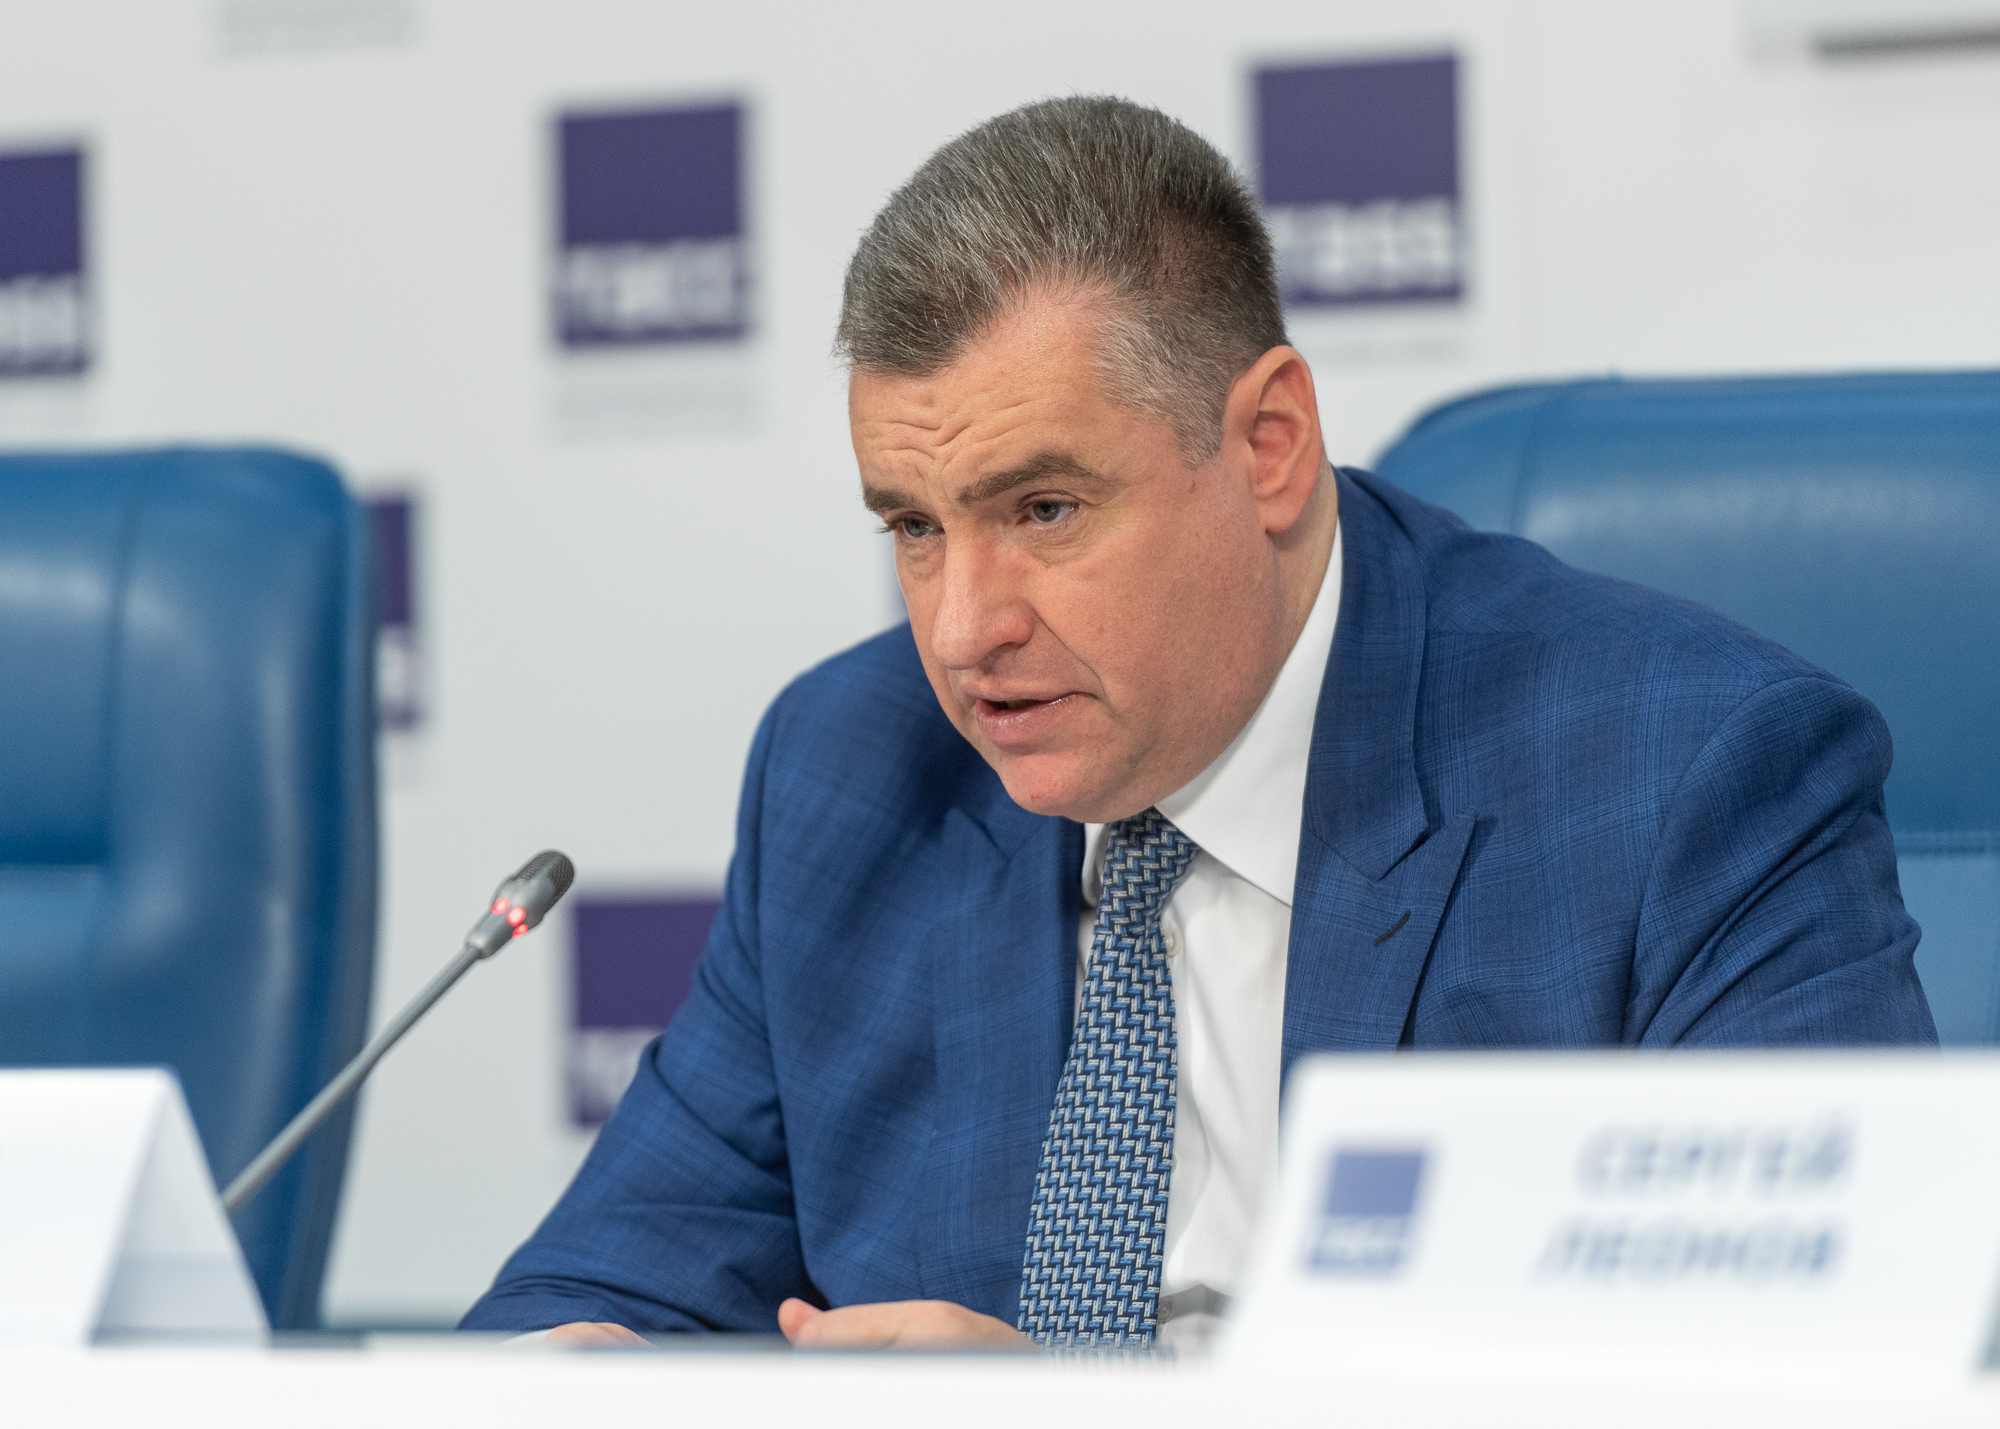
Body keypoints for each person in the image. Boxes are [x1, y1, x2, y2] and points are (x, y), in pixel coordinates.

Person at [459, 96, 1934, 1350]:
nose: (962, 630)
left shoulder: (1685, 772)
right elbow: (601, 1289)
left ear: (1268, 448)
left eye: (1045, 509)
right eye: (913, 527)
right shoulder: (850, 773)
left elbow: (1809, 1370)